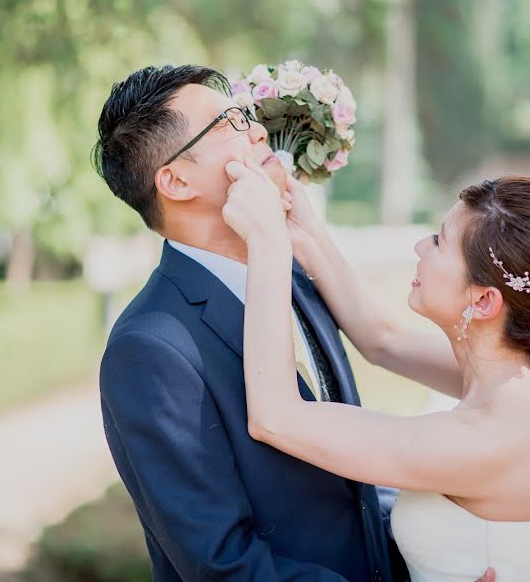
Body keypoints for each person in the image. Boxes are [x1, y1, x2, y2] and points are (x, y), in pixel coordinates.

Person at [93, 64, 497, 581]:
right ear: (175, 180)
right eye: (229, 124)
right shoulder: (150, 350)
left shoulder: (290, 277)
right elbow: (224, 566)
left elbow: (347, 494)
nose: (259, 129)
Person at [222, 165, 530, 581]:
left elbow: (276, 418)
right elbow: (384, 341)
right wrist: (307, 233)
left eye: (440, 242)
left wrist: (267, 245)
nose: (420, 246)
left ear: (482, 300)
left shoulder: (492, 436)